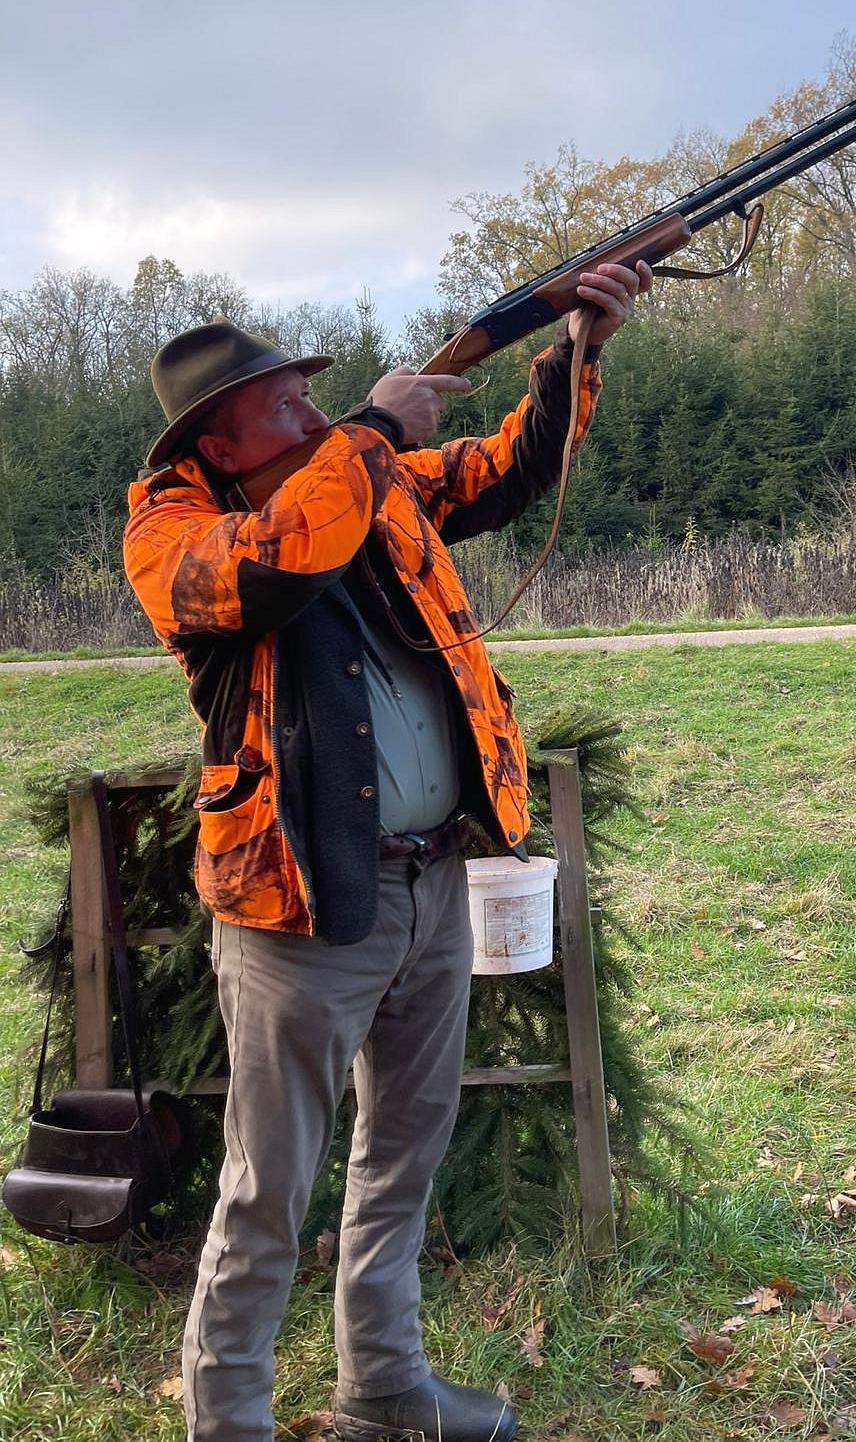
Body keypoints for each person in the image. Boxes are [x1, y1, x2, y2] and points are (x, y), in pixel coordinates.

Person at [122, 259, 651, 1442]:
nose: (314, 411)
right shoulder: (174, 530)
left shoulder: (363, 480)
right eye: (286, 402)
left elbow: (506, 471)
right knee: (268, 1191)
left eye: (315, 397)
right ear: (215, 440)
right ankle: (230, 1425)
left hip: (432, 879)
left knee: (402, 1159)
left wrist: (572, 348)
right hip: (299, 902)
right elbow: (268, 569)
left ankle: (386, 1390)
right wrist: (369, 429)